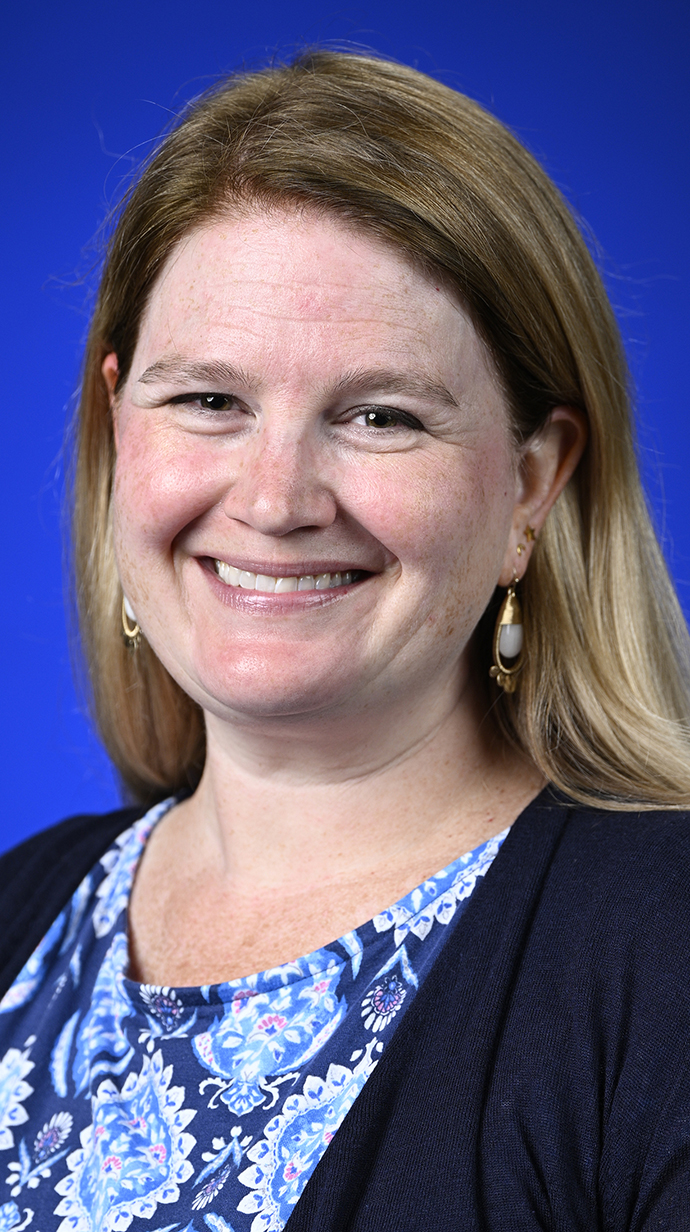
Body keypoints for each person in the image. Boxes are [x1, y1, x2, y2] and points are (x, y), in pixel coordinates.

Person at [1, 49, 690, 1232]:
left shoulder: (661, 952)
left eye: (380, 415)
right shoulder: (23, 907)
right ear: (118, 430)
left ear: (533, 484)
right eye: (208, 399)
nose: (275, 499)